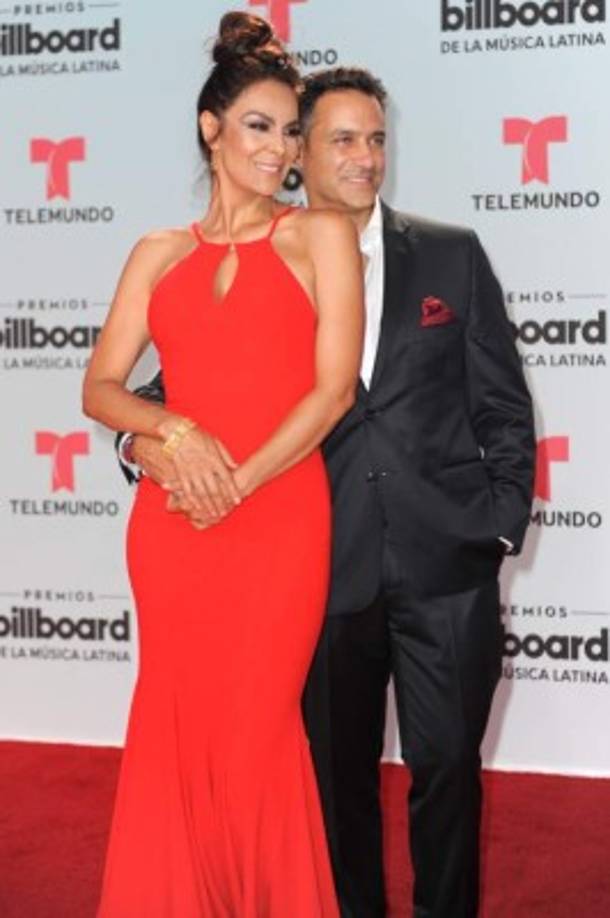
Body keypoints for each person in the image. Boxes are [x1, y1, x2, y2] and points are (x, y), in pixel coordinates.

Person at [117, 67, 536, 918]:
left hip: (445, 565)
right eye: (343, 139)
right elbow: (167, 391)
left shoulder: (450, 254)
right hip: (321, 566)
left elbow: (502, 404)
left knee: (450, 765)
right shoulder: (269, 255)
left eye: (377, 139)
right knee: (336, 783)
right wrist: (138, 444)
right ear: (297, 153)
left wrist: (495, 529)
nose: (366, 158)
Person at [83, 15, 364, 916]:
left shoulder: (320, 237)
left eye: (290, 132)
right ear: (212, 128)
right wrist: (172, 436)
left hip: (277, 520)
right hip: (172, 532)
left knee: (256, 737)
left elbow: (331, 396)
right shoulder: (156, 253)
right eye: (260, 125)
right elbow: (100, 389)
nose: (279, 148)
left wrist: (236, 482)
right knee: (174, 733)